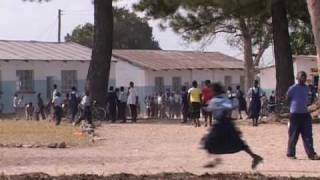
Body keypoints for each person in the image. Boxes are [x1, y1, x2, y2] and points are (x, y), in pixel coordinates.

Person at [201, 83, 263, 169]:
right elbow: (232, 105)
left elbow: (210, 108)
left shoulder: (215, 100)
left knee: (208, 142)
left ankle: (214, 159)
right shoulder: (224, 98)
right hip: (228, 124)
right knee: (239, 143)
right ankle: (254, 157)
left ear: (215, 91)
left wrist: (206, 107)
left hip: (220, 124)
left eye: (211, 91)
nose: (210, 93)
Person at [286, 71, 320, 160]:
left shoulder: (307, 88)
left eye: (304, 77)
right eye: (301, 77)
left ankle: (311, 154)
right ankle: (291, 154)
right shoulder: (292, 88)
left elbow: (310, 99)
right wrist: (293, 108)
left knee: (308, 135)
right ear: (297, 78)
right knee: (293, 135)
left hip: (305, 115)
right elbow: (288, 98)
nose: (303, 79)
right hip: (295, 115)